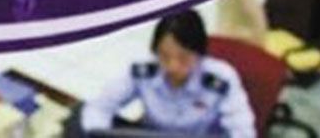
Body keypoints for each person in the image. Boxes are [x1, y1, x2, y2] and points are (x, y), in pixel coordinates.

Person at [82, 10, 256, 137]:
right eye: (164, 56)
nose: (172, 67)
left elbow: (243, 131)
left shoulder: (220, 80)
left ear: (199, 53)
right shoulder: (143, 70)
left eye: (183, 58)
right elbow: (100, 106)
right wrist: (97, 133)